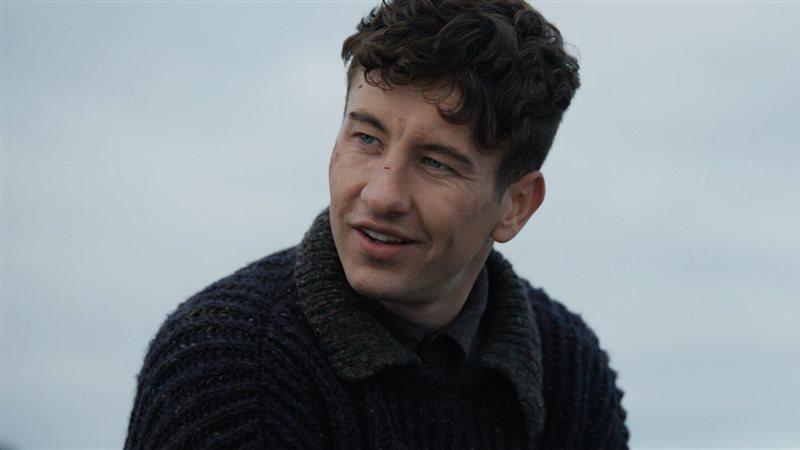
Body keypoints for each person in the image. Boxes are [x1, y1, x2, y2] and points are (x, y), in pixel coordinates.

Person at [125, 0, 629, 448]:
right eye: (366, 139)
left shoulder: (570, 370)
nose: (381, 195)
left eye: (436, 163)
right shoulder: (227, 364)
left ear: (515, 205)